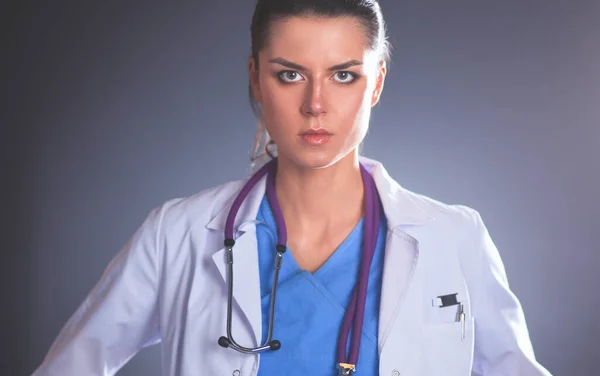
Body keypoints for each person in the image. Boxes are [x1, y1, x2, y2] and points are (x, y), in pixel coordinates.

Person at [32, 1, 553, 375]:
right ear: (256, 79)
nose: (316, 105)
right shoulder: (178, 234)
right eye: (290, 76)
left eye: (344, 75)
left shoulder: (454, 237)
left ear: (377, 83)